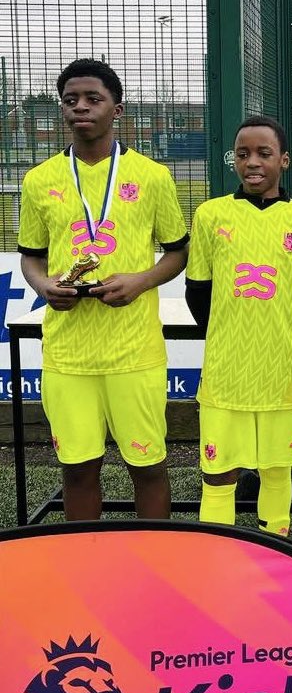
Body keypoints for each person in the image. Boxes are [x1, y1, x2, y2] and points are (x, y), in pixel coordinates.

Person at [17, 58, 189, 519]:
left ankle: (154, 565)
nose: (81, 108)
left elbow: (177, 252)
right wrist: (44, 285)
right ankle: (85, 570)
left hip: (134, 351)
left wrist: (141, 280)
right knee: (77, 468)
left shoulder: (153, 177)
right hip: (68, 354)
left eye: (94, 99)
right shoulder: (39, 181)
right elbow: (30, 256)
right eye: (71, 100)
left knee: (147, 465)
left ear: (117, 109)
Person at [185, 116, 292, 537]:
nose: (252, 162)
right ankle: (217, 552)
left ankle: (274, 548)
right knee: (218, 470)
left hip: (277, 369)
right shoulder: (211, 215)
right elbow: (199, 292)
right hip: (225, 371)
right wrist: (233, 329)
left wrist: (277, 327)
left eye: (264, 153)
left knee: (276, 467)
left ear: (283, 160)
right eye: (243, 153)